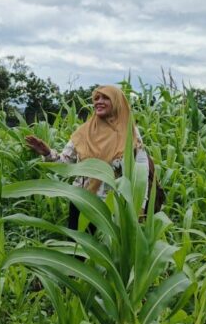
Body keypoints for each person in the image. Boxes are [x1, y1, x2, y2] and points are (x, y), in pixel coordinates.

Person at [24, 85, 161, 229]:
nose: (99, 101)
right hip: (81, 201)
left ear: (117, 102)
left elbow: (141, 175)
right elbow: (66, 165)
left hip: (111, 207)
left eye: (105, 98)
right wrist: (47, 153)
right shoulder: (84, 132)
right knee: (76, 248)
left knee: (106, 249)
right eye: (96, 98)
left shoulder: (130, 134)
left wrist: (141, 208)